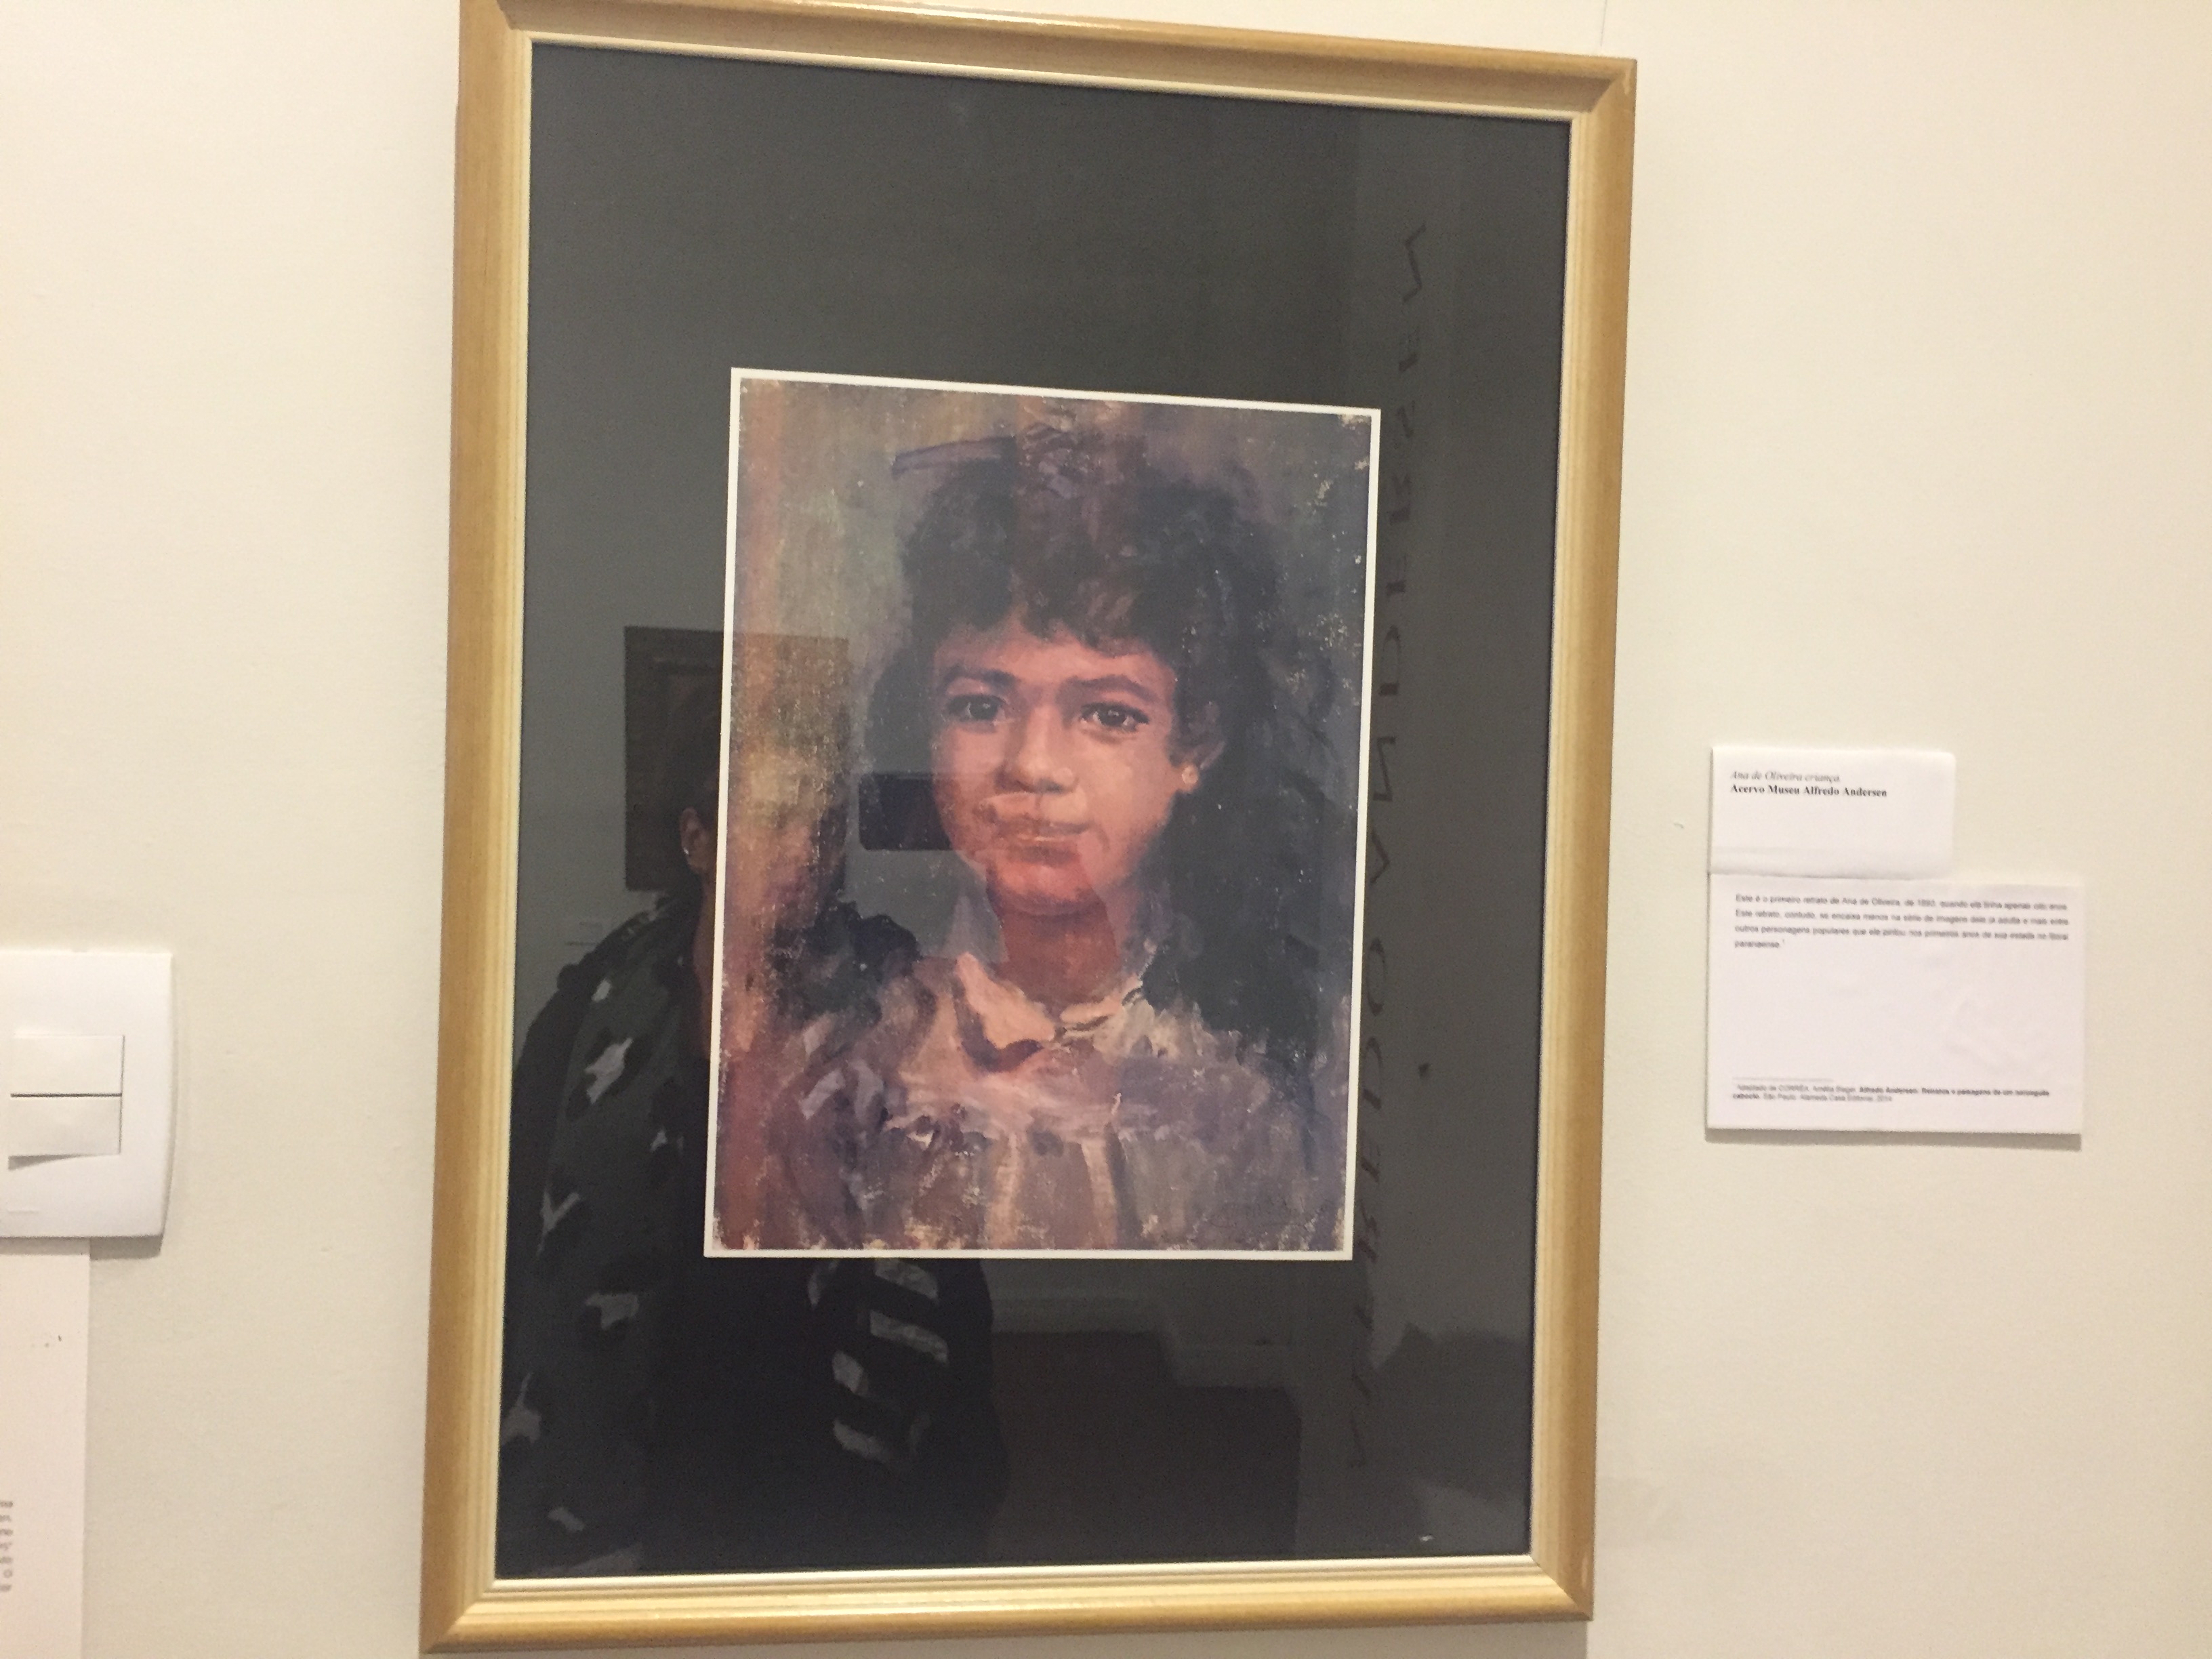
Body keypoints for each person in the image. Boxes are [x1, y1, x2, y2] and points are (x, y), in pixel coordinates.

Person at [716, 421, 1353, 1254]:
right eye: (981, 707)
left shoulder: (1281, 1073)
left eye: (1108, 715)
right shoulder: (834, 1075)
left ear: (1195, 745)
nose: (1033, 767)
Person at [497, 684, 1006, 1576]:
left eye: (825, 827)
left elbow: (948, 1259)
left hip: (821, 1446)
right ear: (696, 838)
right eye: (772, 818)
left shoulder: (896, 1012)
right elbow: (513, 1235)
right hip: (640, 1438)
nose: (805, 852)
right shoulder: (592, 1019)